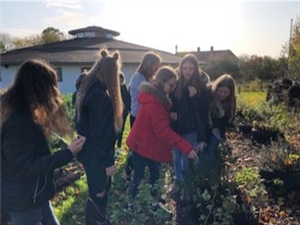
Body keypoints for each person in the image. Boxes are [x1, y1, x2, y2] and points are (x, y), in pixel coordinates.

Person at [0, 59, 86, 225]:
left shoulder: (17, 110)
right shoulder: (19, 121)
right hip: (24, 199)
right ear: (40, 88)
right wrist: (68, 153)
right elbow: (26, 166)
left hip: (33, 193)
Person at [125, 66, 199, 212]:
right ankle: (129, 204)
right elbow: (163, 131)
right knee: (138, 176)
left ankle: (154, 201)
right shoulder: (154, 103)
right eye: (171, 85)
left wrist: (168, 115)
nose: (172, 89)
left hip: (148, 143)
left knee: (155, 175)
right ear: (162, 82)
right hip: (141, 145)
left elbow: (158, 122)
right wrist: (187, 147)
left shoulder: (158, 99)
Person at [75, 49, 123, 225]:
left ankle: (99, 220)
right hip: (97, 155)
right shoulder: (100, 97)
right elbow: (100, 134)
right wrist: (108, 161)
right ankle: (97, 221)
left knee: (96, 192)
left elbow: (82, 125)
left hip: (88, 151)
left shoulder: (85, 89)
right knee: (100, 192)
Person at [169, 54, 208, 196]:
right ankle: (178, 182)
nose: (187, 71)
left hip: (190, 129)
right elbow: (172, 104)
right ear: (180, 68)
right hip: (176, 128)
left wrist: (202, 136)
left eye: (191, 68)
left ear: (196, 70)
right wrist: (172, 113)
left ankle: (187, 185)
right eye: (185, 68)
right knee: (176, 157)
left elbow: (201, 113)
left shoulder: (200, 88)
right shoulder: (176, 86)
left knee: (187, 158)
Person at [124, 51, 162, 185]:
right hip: (138, 116)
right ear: (149, 64)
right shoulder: (139, 77)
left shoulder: (146, 77)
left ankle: (137, 171)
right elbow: (146, 96)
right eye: (155, 65)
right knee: (137, 147)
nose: (157, 68)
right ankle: (129, 172)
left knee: (143, 146)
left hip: (145, 117)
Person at [204, 74, 236, 162]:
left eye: (226, 92)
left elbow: (229, 120)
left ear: (230, 92)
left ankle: (211, 170)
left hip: (217, 131)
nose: (222, 94)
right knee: (203, 151)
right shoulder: (209, 95)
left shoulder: (231, 102)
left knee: (211, 151)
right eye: (220, 91)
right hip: (205, 128)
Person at [115, 72, 131, 154]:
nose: (120, 82)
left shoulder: (124, 88)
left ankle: (118, 146)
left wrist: (126, 110)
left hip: (123, 114)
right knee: (114, 130)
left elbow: (127, 100)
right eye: (119, 80)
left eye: (122, 80)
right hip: (115, 114)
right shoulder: (113, 89)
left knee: (121, 130)